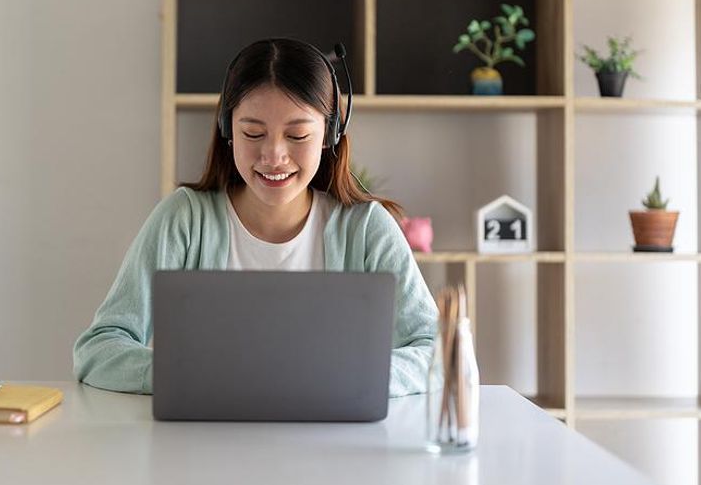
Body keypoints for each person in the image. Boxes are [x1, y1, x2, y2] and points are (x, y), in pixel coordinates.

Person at [73, 38, 438, 396]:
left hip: (332, 447)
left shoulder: (366, 229)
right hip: (203, 447)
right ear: (226, 129)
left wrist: (357, 376)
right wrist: (181, 374)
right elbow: (98, 349)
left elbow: (440, 352)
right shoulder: (184, 219)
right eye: (253, 133)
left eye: (297, 135)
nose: (273, 155)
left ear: (330, 134)